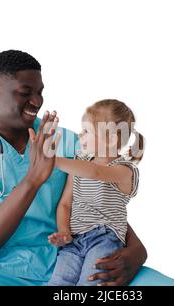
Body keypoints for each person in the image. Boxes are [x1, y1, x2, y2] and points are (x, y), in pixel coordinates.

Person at [0, 50, 174, 286]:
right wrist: (33, 179)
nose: (36, 101)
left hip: (82, 257)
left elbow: (100, 203)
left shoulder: (71, 143)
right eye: (26, 92)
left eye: (39, 92)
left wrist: (136, 252)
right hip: (0, 272)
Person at [47, 99, 145, 286]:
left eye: (87, 131)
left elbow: (96, 172)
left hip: (104, 239)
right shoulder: (79, 162)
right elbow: (65, 204)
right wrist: (64, 232)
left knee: (90, 282)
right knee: (58, 283)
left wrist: (52, 160)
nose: (80, 135)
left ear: (112, 139)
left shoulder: (124, 170)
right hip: (73, 243)